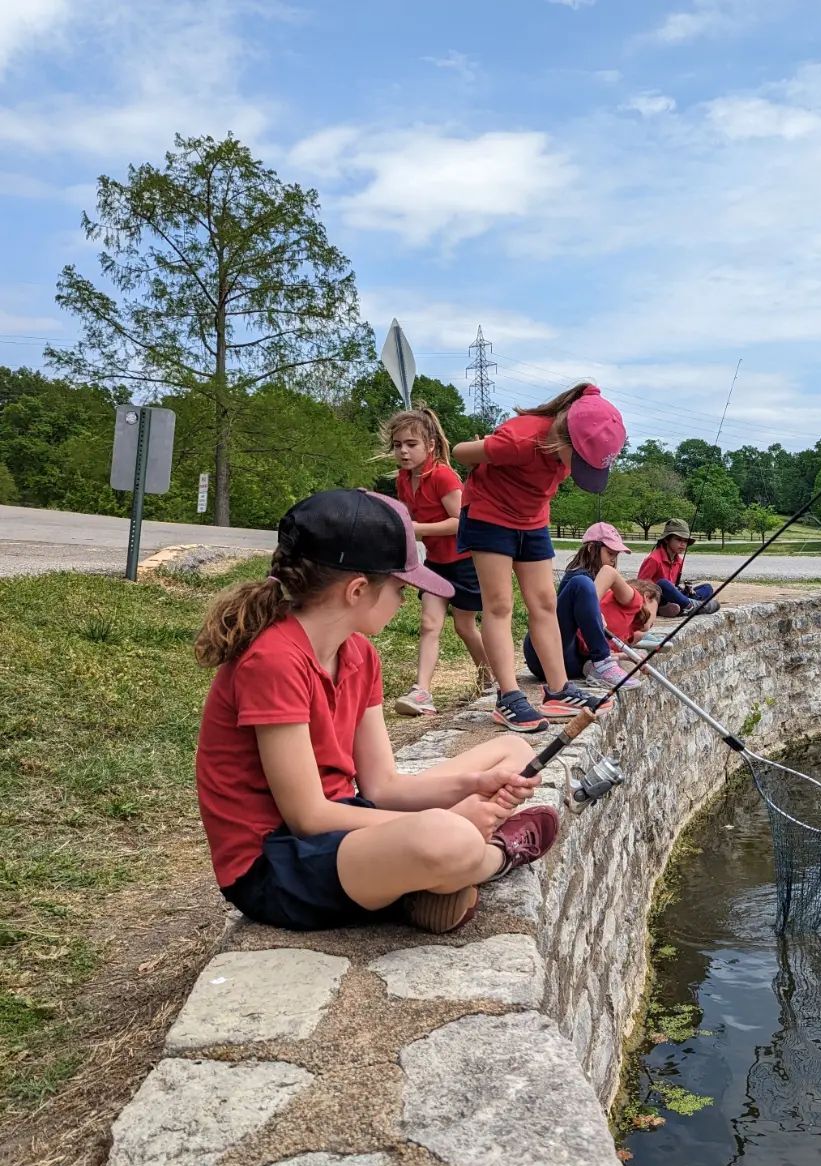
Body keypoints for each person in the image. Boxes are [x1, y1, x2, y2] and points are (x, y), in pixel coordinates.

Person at [194, 489, 559, 936]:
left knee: (513, 748)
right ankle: (495, 856)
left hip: (344, 824)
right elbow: (307, 817)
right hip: (276, 865)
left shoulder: (360, 654)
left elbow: (382, 786)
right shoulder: (273, 660)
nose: (404, 602)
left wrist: (474, 785)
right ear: (358, 590)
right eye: (401, 589)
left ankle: (423, 878)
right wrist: (452, 820)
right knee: (450, 838)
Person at [453, 384, 627, 732]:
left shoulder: (565, 447)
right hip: (489, 515)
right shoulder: (520, 439)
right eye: (578, 462)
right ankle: (509, 697)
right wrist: (480, 451)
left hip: (532, 519)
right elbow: (460, 451)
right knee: (499, 604)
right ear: (563, 440)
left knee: (545, 602)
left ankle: (559, 690)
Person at [381, 405, 490, 717]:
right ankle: (422, 691)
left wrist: (417, 529)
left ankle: (489, 677)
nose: (403, 451)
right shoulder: (403, 480)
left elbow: (462, 523)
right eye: (398, 444)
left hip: (465, 561)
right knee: (429, 623)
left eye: (411, 444)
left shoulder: (443, 477)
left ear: (430, 445)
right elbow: (406, 523)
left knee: (465, 626)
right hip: (437, 564)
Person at [521, 522, 659, 689]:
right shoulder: (579, 578)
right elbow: (608, 575)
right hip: (545, 651)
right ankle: (601, 663)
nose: (613, 560)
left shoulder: (626, 629)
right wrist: (595, 607)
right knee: (582, 583)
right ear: (591, 548)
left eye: (616, 555)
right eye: (610, 553)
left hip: (569, 663)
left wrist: (628, 656)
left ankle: (600, 665)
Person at [637, 519, 717, 617]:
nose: (683, 544)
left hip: (674, 596)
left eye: (685, 541)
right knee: (663, 583)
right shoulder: (654, 559)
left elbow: (674, 585)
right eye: (679, 540)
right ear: (667, 539)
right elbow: (640, 587)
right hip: (656, 598)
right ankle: (690, 606)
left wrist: (684, 590)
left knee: (707, 588)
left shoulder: (679, 561)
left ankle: (682, 606)